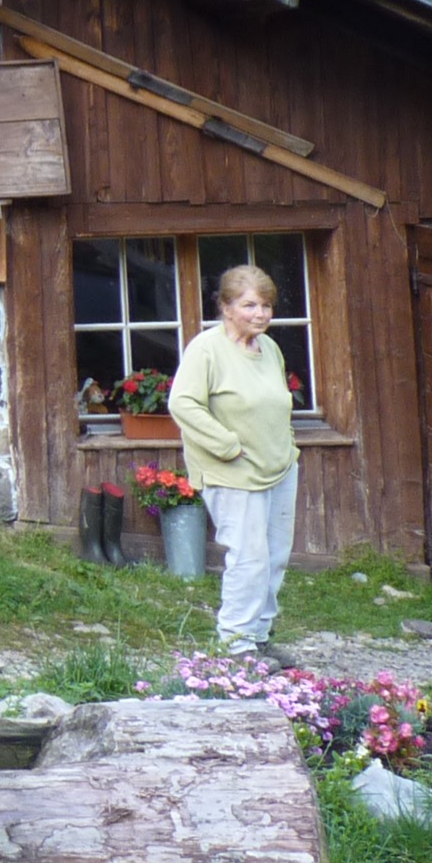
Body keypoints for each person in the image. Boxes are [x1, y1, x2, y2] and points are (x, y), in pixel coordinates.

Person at [166, 264, 301, 660]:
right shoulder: (206, 349)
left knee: (275, 557)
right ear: (226, 307)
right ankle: (235, 645)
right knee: (249, 558)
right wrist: (226, 445)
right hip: (233, 472)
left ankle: (259, 636)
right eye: (250, 305)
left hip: (279, 467)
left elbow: (277, 404)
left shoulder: (269, 349)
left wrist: (288, 446)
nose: (260, 314)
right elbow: (183, 404)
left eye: (266, 306)